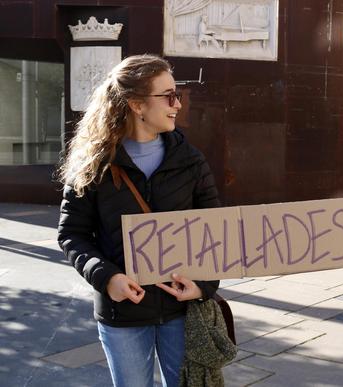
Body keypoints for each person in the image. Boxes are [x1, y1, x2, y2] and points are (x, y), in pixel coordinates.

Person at [57, 54, 221, 387]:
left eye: (178, 93)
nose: (178, 104)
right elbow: (72, 234)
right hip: (122, 314)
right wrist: (107, 278)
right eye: (168, 96)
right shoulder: (94, 163)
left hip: (180, 311)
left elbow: (215, 232)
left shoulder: (191, 161)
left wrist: (203, 287)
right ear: (136, 104)